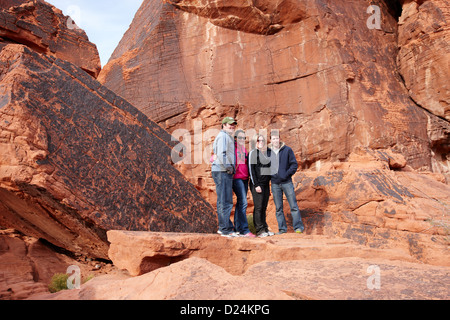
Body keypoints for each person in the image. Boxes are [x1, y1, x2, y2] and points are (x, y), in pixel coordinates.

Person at [269, 131, 305, 234]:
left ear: (280, 139)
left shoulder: (287, 150)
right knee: (278, 208)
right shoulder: (268, 152)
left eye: (277, 138)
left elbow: (294, 165)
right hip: (275, 184)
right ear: (270, 140)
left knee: (293, 206)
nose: (275, 140)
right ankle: (282, 230)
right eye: (273, 139)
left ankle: (298, 228)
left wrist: (286, 174)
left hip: (287, 182)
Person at [212, 117, 237, 237]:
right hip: (222, 171)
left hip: (223, 171)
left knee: (225, 200)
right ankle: (224, 229)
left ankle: (226, 227)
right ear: (224, 125)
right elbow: (221, 153)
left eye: (233, 125)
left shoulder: (227, 136)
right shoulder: (223, 136)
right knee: (224, 201)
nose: (232, 127)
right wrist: (228, 167)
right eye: (230, 125)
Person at [248, 134, 275, 238]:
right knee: (258, 207)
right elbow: (252, 170)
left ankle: (265, 228)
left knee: (264, 207)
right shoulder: (253, 153)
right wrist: (256, 185)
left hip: (265, 184)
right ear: (256, 142)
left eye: (263, 140)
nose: (261, 142)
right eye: (259, 141)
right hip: (257, 184)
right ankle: (259, 230)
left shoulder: (267, 153)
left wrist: (269, 184)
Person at [232, 130, 255, 238]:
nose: (242, 140)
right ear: (235, 138)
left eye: (244, 138)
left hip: (245, 178)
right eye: (240, 138)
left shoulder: (244, 149)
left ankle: (237, 228)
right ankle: (245, 230)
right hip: (237, 179)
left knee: (240, 203)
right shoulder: (232, 148)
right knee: (244, 203)